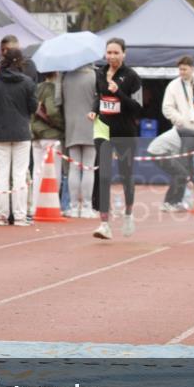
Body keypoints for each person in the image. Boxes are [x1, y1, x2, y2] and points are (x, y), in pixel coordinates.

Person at [89, 38, 142, 241]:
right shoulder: (100, 73)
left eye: (116, 53)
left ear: (124, 54)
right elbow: (98, 96)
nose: (111, 57)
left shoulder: (132, 77)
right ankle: (104, 223)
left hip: (125, 131)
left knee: (125, 174)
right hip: (102, 128)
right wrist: (94, 111)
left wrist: (118, 92)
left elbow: (137, 108)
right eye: (109, 53)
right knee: (103, 174)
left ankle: (128, 214)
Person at [0, 47, 37, 226]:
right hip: (22, 131)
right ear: (20, 61)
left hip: (1, 131)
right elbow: (33, 107)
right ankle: (20, 215)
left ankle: (1, 215)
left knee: (1, 173)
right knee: (20, 174)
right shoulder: (28, 82)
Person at [159, 54, 194, 209]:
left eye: (185, 69)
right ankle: (175, 200)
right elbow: (167, 108)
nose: (182, 72)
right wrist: (180, 120)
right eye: (180, 69)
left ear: (192, 68)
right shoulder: (173, 85)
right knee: (184, 166)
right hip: (182, 131)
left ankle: (190, 198)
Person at [61, 64, 97, 218]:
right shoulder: (95, 76)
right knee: (88, 167)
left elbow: (59, 101)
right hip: (91, 124)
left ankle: (74, 206)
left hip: (71, 125)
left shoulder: (66, 77)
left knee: (73, 168)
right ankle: (87, 207)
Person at [31, 72, 64, 213]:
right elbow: (52, 112)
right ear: (56, 72)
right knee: (53, 172)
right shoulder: (53, 88)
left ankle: (35, 205)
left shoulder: (36, 88)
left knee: (37, 172)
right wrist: (63, 126)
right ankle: (51, 205)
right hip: (51, 135)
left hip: (36, 134)